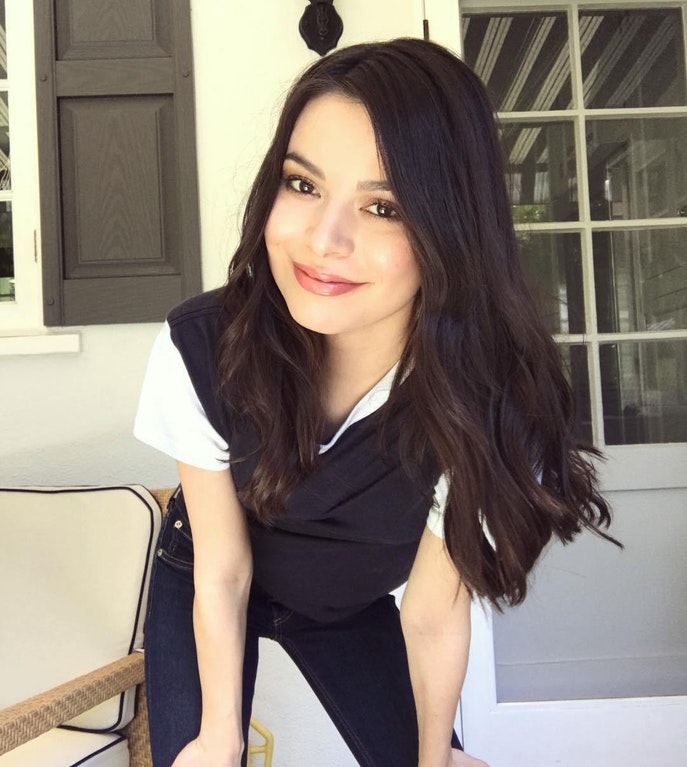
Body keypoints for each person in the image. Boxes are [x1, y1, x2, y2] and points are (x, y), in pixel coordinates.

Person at [134, 37, 616, 767]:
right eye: (302, 185)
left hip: (345, 602)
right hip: (205, 569)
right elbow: (224, 569)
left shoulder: (483, 405)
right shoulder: (200, 349)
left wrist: (435, 754)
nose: (325, 240)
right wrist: (219, 736)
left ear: (454, 229)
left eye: (383, 206)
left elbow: (431, 613)